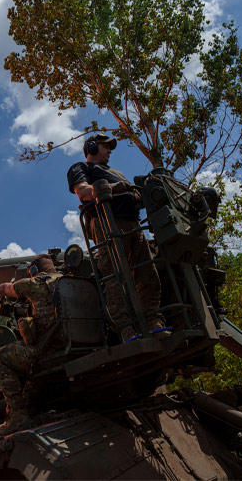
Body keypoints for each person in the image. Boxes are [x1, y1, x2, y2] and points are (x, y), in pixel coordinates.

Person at [67, 133, 165, 341]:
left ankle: (154, 321)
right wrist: (112, 188)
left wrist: (138, 195)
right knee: (115, 277)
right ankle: (125, 329)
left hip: (133, 224)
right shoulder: (81, 168)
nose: (109, 151)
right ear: (91, 148)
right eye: (105, 146)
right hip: (107, 223)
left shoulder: (117, 172)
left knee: (148, 273)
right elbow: (83, 192)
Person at [0, 254, 63, 435]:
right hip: (70, 344)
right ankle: (32, 406)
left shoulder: (36, 283)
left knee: (0, 357)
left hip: (48, 348)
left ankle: (17, 416)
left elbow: (5, 289)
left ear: (35, 270)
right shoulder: (67, 280)